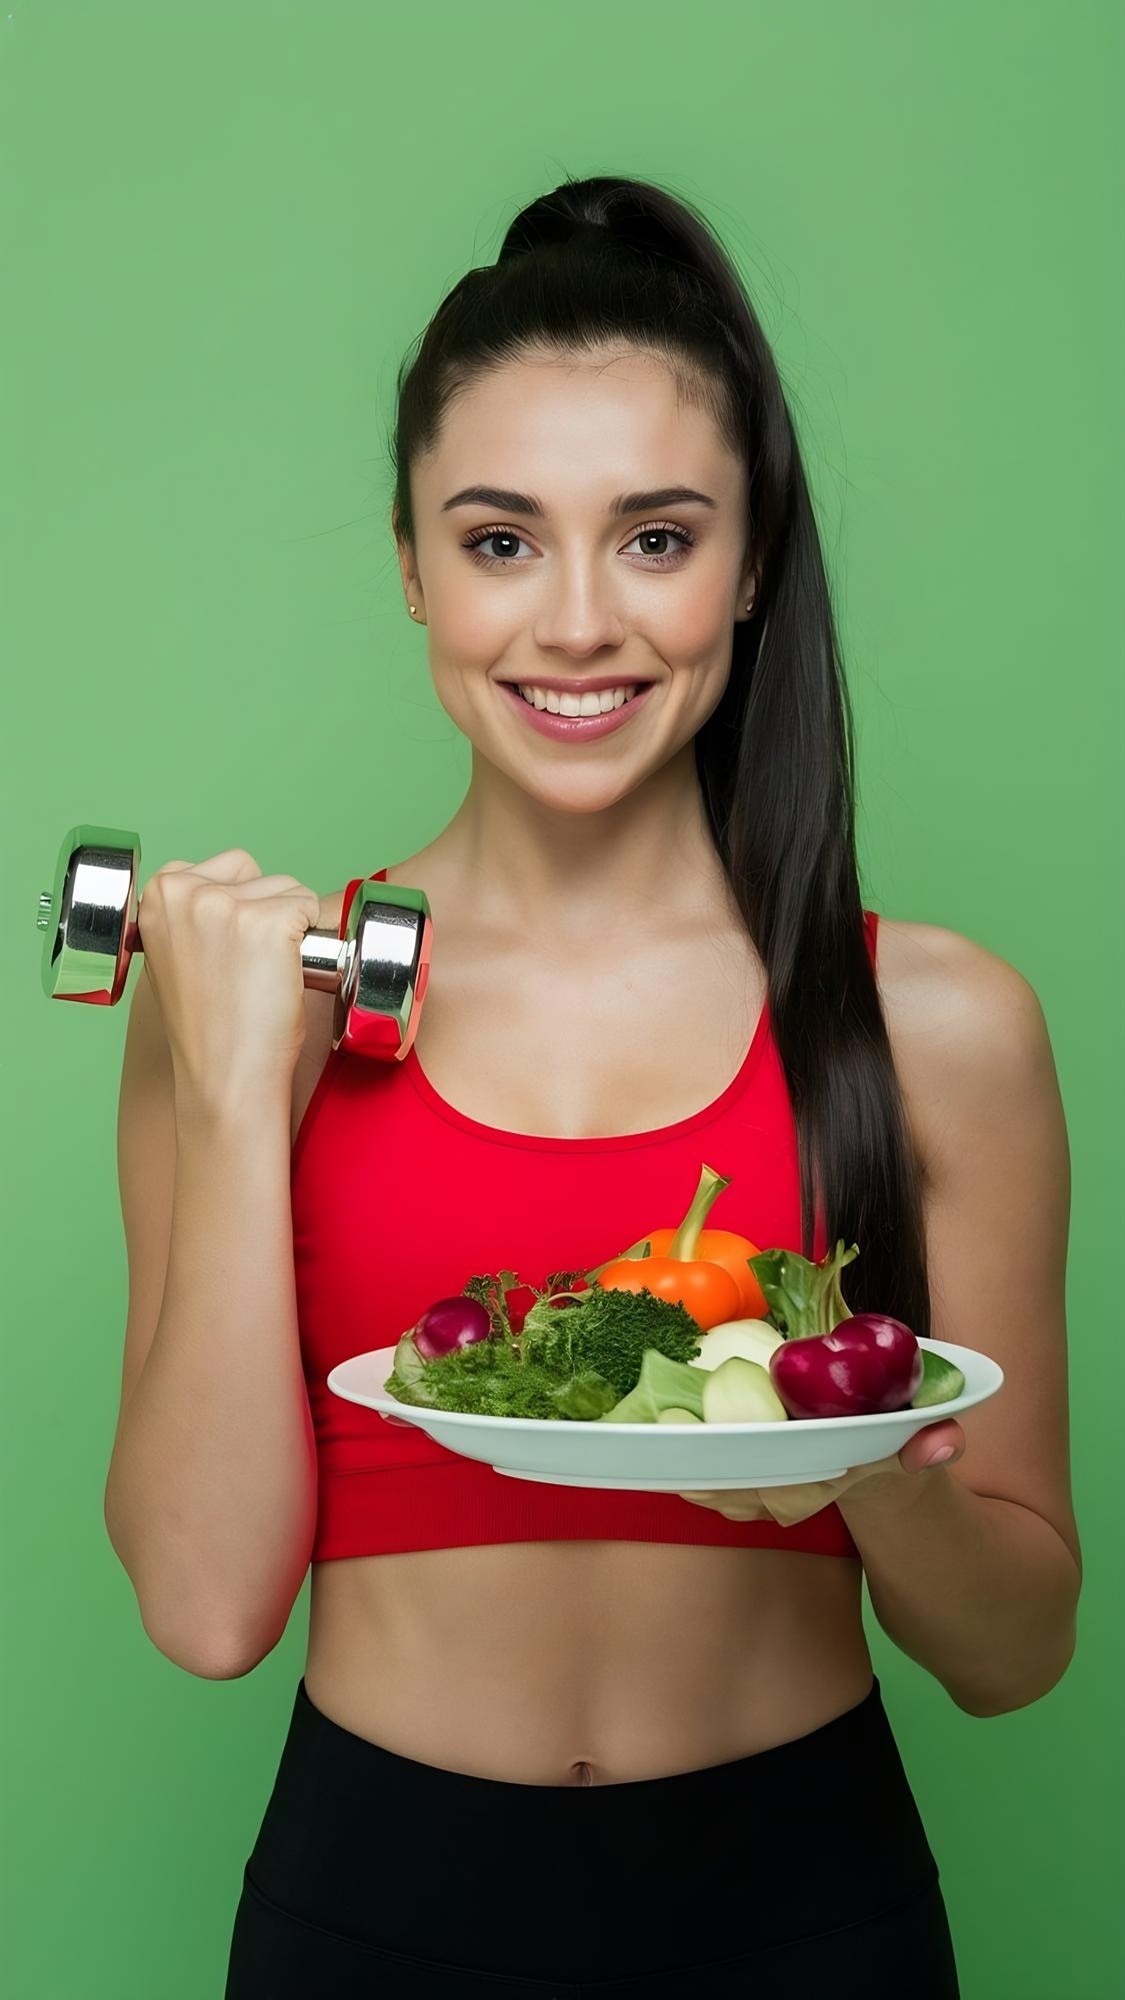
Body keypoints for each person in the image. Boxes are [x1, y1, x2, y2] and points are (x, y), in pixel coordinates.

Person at [107, 174, 1081, 1998]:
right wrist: (242, 1097)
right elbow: (206, 1608)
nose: (573, 624)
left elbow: (1016, 1647)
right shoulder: (249, 1009)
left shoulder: (934, 1026)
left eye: (653, 537)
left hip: (806, 1907)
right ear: (408, 562)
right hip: (370, 1908)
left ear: (753, 560)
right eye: (497, 540)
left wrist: (861, 1470)